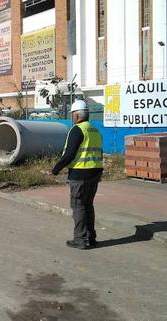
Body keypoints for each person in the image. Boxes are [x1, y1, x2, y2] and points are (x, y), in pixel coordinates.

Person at [52, 99, 103, 250]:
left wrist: (56, 168)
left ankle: (80, 239)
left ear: (76, 116)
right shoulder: (94, 130)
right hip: (95, 173)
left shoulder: (77, 130)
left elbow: (69, 154)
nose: (72, 117)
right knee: (88, 205)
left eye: (72, 114)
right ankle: (91, 238)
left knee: (78, 206)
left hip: (80, 175)